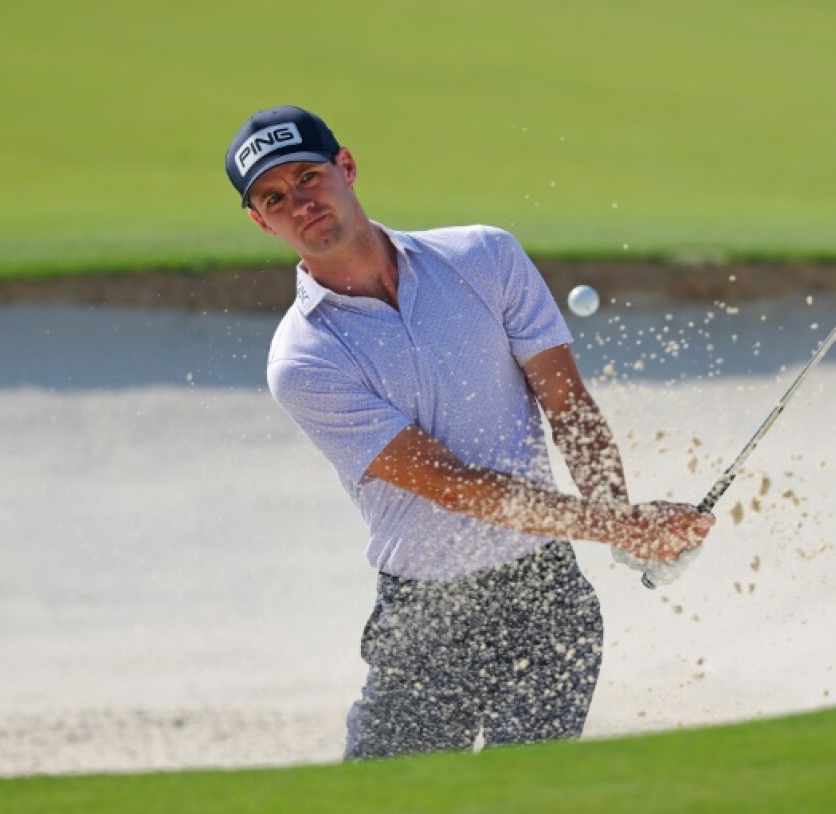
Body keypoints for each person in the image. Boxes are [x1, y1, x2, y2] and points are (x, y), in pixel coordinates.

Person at [224, 106, 714, 759]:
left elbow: (567, 404)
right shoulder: (305, 359)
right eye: (275, 198)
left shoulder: (484, 256)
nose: (300, 203)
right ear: (261, 221)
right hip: (429, 619)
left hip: (547, 598)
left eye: (309, 177)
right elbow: (453, 484)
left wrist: (620, 515)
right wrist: (619, 527)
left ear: (346, 166)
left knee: (526, 798)